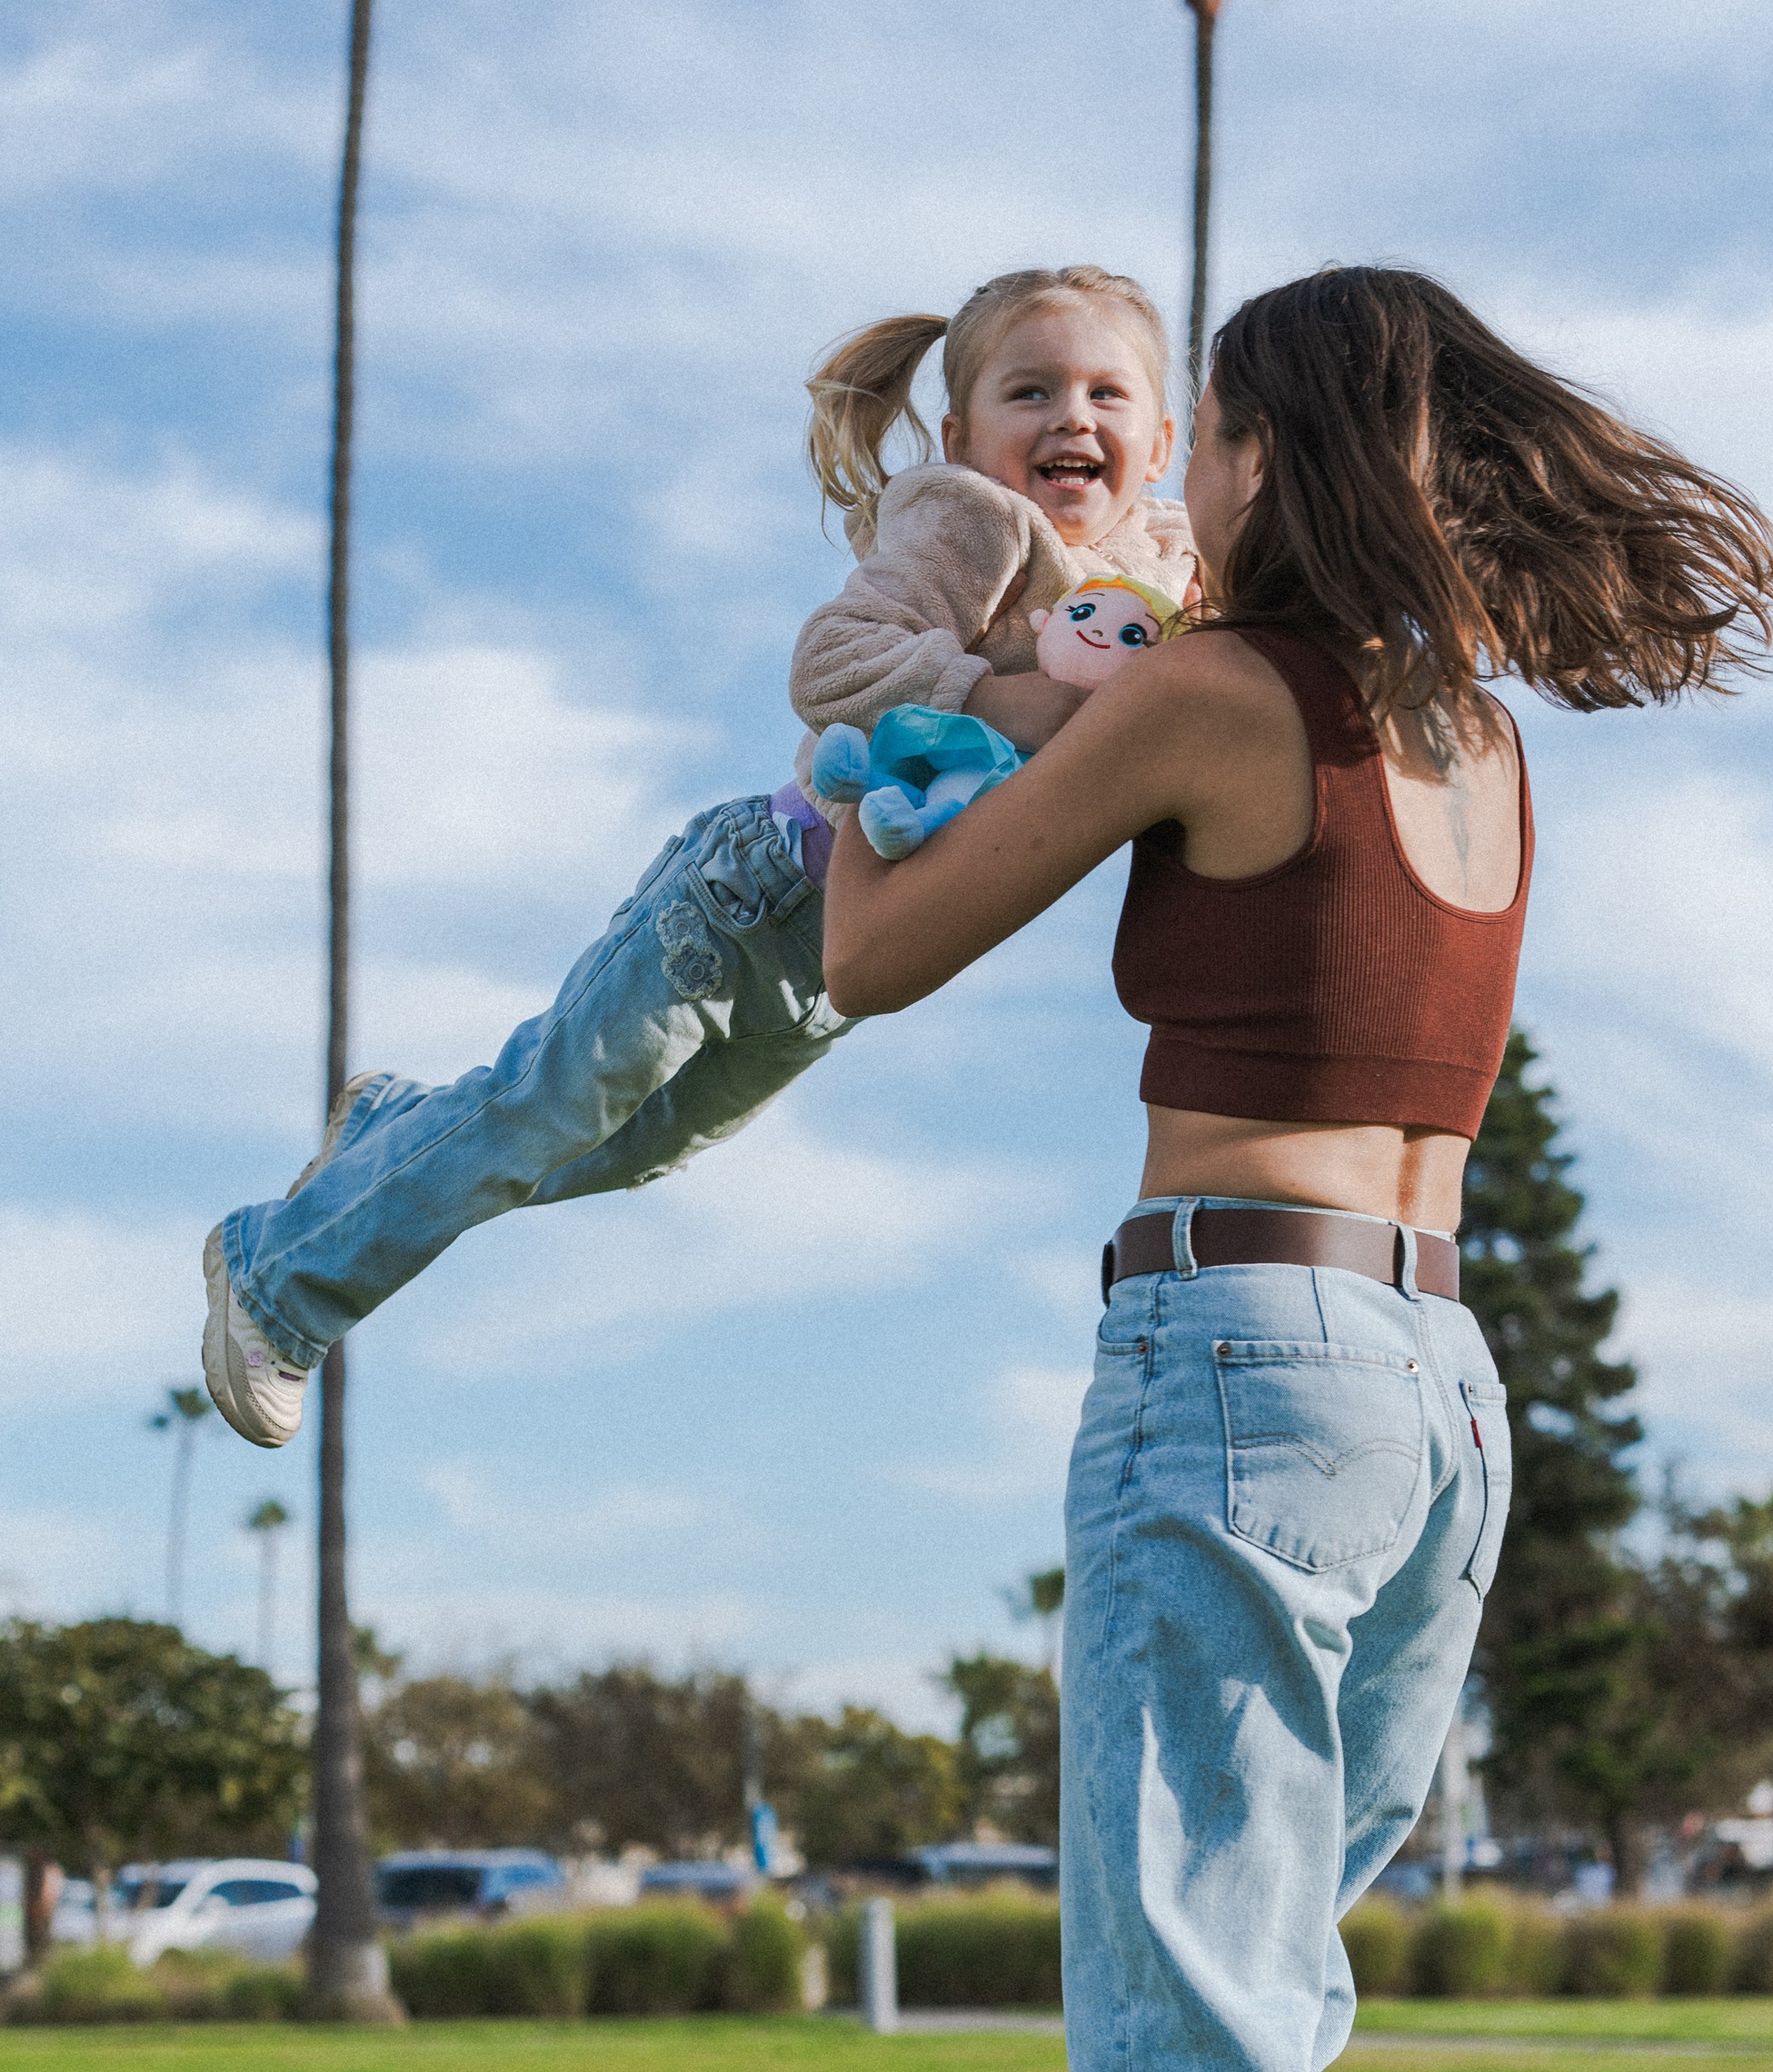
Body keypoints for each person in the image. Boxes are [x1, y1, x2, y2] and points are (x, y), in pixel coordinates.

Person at [822, 264, 1773, 2072]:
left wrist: (873, 699)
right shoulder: (1472, 739)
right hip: (1435, 1386)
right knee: (1261, 2013)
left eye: (1203, 435)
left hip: (1238, 1362)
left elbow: (884, 942)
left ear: (1268, 449)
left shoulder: (1216, 694)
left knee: (1192, 2040)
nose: (1174, 469)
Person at [200, 265, 1193, 1446]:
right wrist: (1007, 698)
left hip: (837, 972)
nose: (1073, 417)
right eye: (1031, 392)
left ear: (1165, 437)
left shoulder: (1169, 575)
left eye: (1107, 394)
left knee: (616, 1151)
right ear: (961, 434)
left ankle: (395, 1134)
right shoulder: (974, 522)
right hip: (750, 895)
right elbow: (834, 660)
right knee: (538, 1114)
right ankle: (278, 1276)